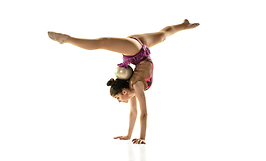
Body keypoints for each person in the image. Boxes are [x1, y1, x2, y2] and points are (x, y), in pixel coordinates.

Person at [48, 19, 200, 144]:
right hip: (140, 49)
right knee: (163, 35)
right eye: (118, 99)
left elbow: (141, 113)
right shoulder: (135, 88)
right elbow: (138, 113)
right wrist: (132, 136)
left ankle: (66, 39)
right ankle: (184, 25)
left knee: (103, 42)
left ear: (124, 90)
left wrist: (140, 137)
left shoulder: (134, 86)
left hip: (135, 50)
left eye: (118, 98)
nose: (120, 101)